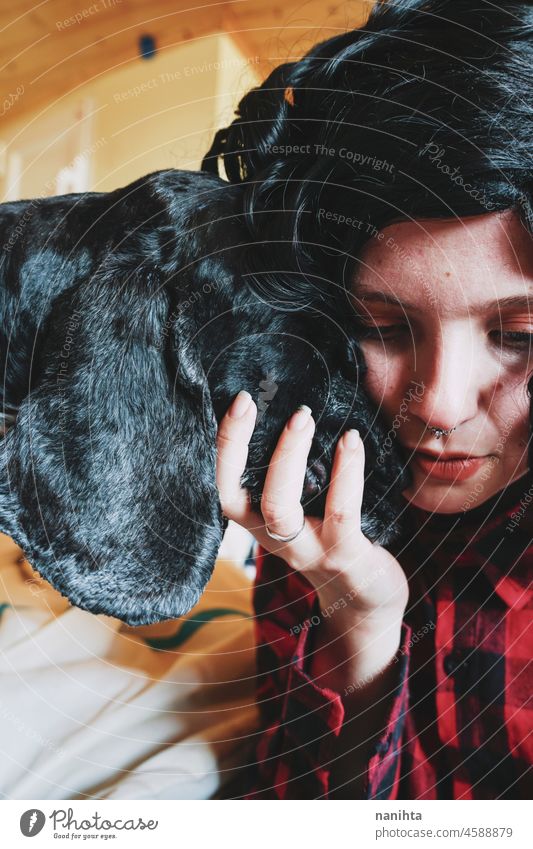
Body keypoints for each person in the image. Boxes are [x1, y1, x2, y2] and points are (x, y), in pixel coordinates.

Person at [205, 0, 533, 798]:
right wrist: (357, 621)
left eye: (519, 336)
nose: (439, 406)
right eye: (382, 326)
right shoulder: (323, 498)